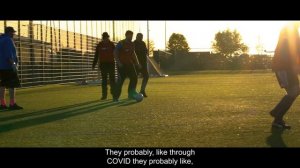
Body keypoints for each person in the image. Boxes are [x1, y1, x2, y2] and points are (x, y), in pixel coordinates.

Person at [270, 23, 300, 129]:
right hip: (283, 67)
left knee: (295, 91)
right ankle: (277, 113)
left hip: (287, 67)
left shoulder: (291, 30)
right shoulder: (290, 30)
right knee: (294, 91)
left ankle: (277, 119)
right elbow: (293, 50)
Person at [113, 30, 141, 102]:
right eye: (130, 35)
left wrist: (137, 63)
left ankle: (131, 94)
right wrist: (118, 62)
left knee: (134, 77)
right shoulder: (121, 43)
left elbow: (133, 54)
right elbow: (115, 53)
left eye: (132, 35)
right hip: (122, 65)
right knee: (120, 81)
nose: (131, 37)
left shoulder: (132, 44)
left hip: (130, 64)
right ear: (126, 35)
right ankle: (116, 98)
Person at [0, 27, 23, 110]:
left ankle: (2, 104)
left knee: (2, 84)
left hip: (1, 66)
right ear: (9, 32)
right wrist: (13, 64)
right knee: (12, 85)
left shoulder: (1, 39)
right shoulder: (8, 40)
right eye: (13, 32)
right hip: (8, 66)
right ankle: (12, 104)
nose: (14, 34)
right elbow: (9, 54)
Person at [92, 32, 116, 100]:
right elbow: (96, 56)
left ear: (108, 37)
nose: (105, 39)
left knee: (112, 80)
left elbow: (116, 54)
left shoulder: (112, 45)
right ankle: (104, 95)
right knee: (104, 80)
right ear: (103, 38)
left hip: (111, 64)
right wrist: (94, 64)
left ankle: (114, 94)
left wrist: (118, 62)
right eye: (104, 38)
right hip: (103, 64)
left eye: (107, 38)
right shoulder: (99, 45)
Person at [134, 33, 149, 97]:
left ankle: (142, 90)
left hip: (143, 63)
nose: (141, 38)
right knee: (134, 78)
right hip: (136, 64)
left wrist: (146, 51)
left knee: (146, 76)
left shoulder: (143, 43)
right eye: (139, 37)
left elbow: (145, 52)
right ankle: (132, 91)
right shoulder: (133, 44)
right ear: (136, 37)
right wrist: (137, 63)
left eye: (142, 37)